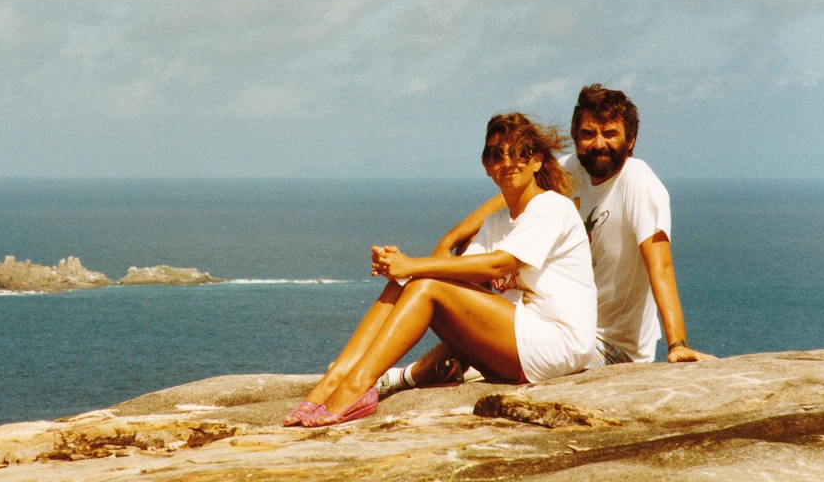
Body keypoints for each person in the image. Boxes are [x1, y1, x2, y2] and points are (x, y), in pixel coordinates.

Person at [385, 85, 713, 393]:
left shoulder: (638, 183)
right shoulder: (573, 169)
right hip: (556, 322)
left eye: (610, 133)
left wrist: (677, 344)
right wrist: (450, 239)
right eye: (588, 134)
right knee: (469, 320)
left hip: (610, 347)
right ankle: (399, 378)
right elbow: (512, 195)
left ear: (630, 140)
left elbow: (662, 265)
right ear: (576, 137)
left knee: (472, 350)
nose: (599, 143)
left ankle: (399, 378)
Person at [283, 113, 596, 427]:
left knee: (424, 283)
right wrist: (401, 269)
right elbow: (460, 271)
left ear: (537, 161)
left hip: (555, 344)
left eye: (520, 153)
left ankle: (356, 386)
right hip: (515, 344)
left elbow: (498, 264)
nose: (507, 161)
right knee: (410, 281)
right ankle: (336, 378)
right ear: (487, 167)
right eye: (495, 154)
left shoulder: (552, 207)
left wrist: (413, 264)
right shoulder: (496, 222)